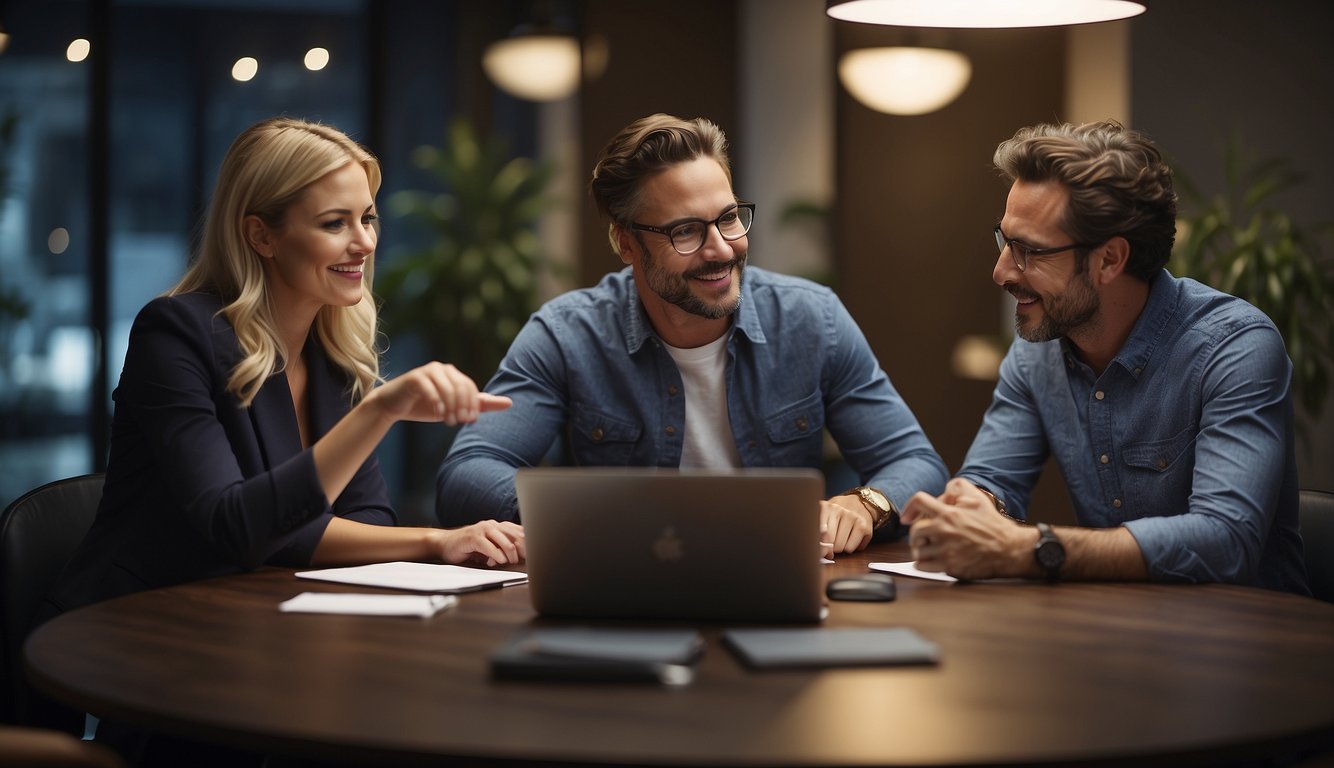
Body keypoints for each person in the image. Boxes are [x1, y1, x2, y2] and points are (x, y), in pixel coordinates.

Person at [46, 117, 525, 620]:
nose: (364, 242)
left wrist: (440, 541)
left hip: (253, 624)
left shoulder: (332, 351)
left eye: (368, 218)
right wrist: (382, 413)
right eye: (335, 223)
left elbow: (363, 517)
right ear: (261, 236)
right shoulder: (173, 334)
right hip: (126, 631)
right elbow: (233, 527)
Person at [436, 113, 947, 553]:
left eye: (728, 219)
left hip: (777, 588)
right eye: (686, 231)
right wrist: (597, 513)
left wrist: (866, 503)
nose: (722, 249)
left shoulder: (813, 319)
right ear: (627, 243)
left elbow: (914, 461)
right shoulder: (568, 335)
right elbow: (468, 473)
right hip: (629, 595)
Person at [901, 121, 1308, 594]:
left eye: (1029, 250)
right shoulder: (1039, 354)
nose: (1001, 270)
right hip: (1118, 634)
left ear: (1110, 260)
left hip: (1255, 644)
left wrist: (1028, 548)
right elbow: (992, 477)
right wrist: (973, 507)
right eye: (1004, 239)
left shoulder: (1234, 347)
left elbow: (1225, 540)